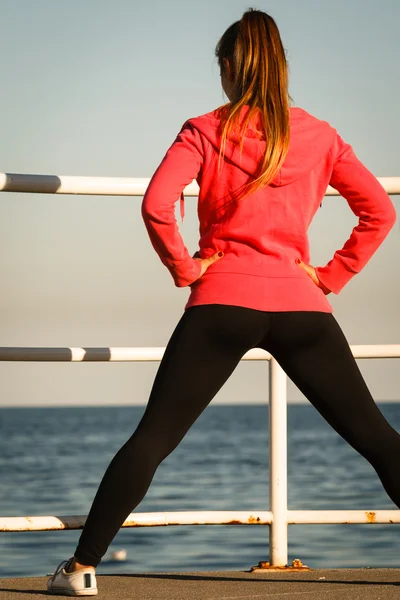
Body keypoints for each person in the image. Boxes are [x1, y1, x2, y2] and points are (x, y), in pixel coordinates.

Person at [47, 8, 399, 596]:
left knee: (153, 439)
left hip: (221, 304)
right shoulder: (319, 134)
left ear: (232, 67)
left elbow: (158, 205)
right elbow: (380, 211)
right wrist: (331, 275)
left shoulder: (204, 129)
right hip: (302, 308)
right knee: (379, 439)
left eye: (220, 67)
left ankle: (80, 570)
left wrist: (187, 267)